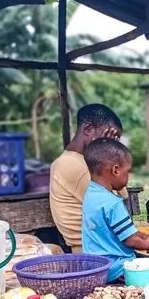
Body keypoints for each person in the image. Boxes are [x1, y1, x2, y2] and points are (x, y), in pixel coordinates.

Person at [81, 138, 149, 282]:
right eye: (128, 171)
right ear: (116, 170)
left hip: (97, 265)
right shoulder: (113, 203)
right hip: (116, 268)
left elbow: (123, 231)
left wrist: (144, 237)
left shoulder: (91, 194)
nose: (128, 176)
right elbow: (130, 240)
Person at [50, 104, 125, 252]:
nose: (112, 145)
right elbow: (116, 204)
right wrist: (108, 157)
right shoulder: (71, 165)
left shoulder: (87, 163)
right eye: (108, 137)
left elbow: (122, 194)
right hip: (95, 251)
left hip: (106, 242)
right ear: (88, 129)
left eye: (115, 140)